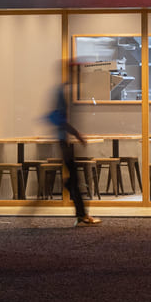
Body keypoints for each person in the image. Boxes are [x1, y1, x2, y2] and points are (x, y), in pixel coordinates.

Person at [48, 83, 100, 227]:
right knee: (75, 180)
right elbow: (62, 122)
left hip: (66, 142)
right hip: (65, 143)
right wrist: (78, 135)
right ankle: (81, 212)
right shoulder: (61, 94)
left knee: (75, 180)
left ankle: (81, 212)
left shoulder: (62, 93)